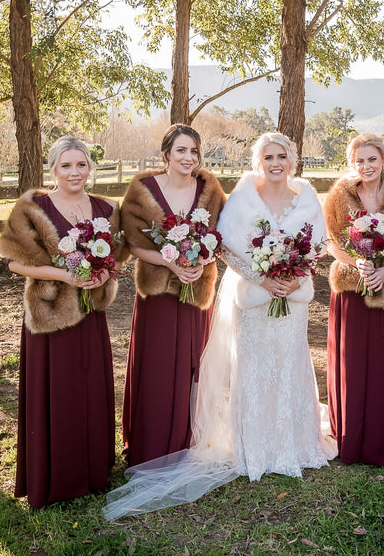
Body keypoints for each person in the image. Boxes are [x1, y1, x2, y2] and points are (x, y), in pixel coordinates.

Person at [104, 132, 335, 520]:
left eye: (282, 156)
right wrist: (262, 278)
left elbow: (319, 244)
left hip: (292, 298)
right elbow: (223, 245)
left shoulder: (307, 195)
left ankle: (294, 442)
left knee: (290, 362)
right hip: (255, 297)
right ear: (257, 161)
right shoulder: (243, 195)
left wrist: (294, 276)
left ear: (292, 160)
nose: (275, 163)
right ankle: (253, 447)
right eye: (268, 156)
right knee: (253, 368)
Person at [0, 136, 120, 508]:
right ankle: (56, 476)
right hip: (50, 318)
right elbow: (14, 261)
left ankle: (93, 472)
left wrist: (102, 276)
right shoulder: (33, 207)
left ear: (90, 168)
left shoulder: (105, 208)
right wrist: (64, 276)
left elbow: (114, 258)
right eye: (66, 165)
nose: (74, 172)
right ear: (53, 169)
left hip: (91, 317)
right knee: (58, 393)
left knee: (89, 391)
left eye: (81, 165)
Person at [120, 123, 226, 466]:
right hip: (157, 294)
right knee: (159, 364)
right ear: (166, 153)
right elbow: (133, 243)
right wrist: (171, 262)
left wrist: (202, 258)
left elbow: (220, 236)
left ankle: (190, 439)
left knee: (194, 363)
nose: (188, 157)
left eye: (194, 151)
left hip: (196, 290)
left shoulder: (210, 189)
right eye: (181, 150)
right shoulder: (142, 188)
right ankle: (151, 441)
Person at [325, 133, 384, 466]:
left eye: (372, 159)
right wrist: (358, 262)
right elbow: (330, 242)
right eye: (359, 160)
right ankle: (349, 435)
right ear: (352, 163)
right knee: (351, 363)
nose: (366, 166)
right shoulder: (339, 195)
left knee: (382, 366)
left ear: (383, 159)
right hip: (351, 289)